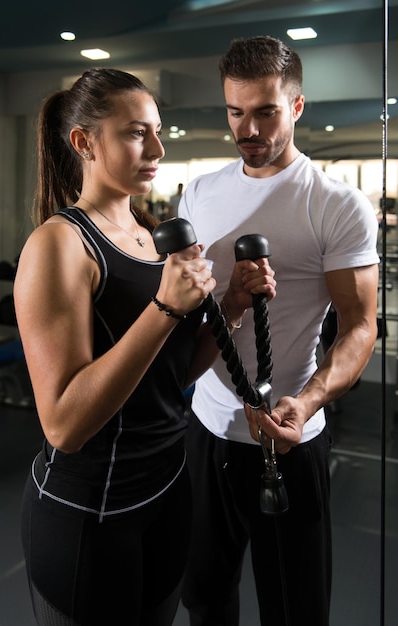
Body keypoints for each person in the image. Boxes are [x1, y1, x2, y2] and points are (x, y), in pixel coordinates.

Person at [13, 67, 276, 626]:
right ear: (85, 142)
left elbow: (171, 374)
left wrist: (229, 306)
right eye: (137, 133)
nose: (157, 146)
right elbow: (63, 424)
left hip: (166, 493)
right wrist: (165, 309)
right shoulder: (60, 244)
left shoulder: (152, 232)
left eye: (158, 130)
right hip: (90, 511)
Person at [178, 35, 380, 626]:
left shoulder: (336, 205)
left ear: (295, 106)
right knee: (204, 598)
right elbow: (191, 305)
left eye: (265, 111)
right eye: (235, 112)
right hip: (209, 429)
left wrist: (310, 400)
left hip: (291, 436)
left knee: (294, 608)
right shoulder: (201, 191)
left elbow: (360, 326)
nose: (249, 129)